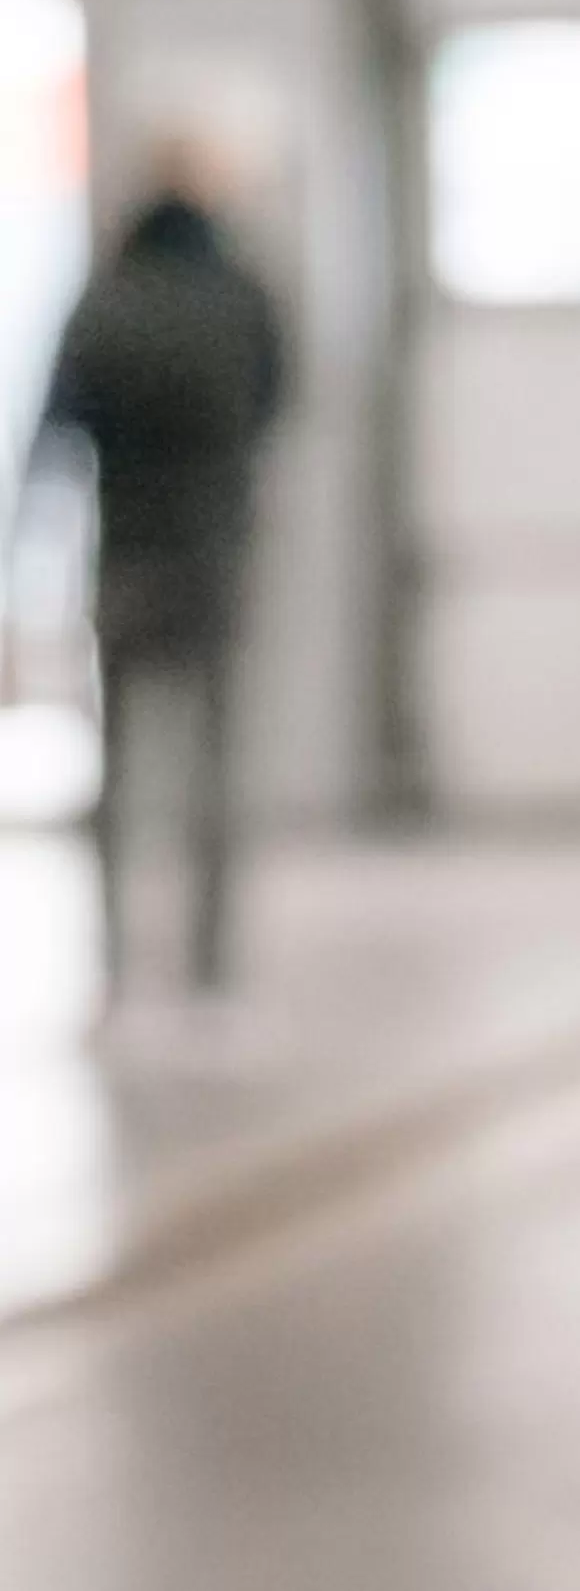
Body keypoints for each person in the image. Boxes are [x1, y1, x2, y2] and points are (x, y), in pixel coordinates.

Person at [46, 136, 289, 997]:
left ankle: (111, 952)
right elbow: (278, 404)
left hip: (128, 551)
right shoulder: (241, 296)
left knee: (116, 764)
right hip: (215, 551)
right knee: (214, 762)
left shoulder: (107, 299)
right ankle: (210, 960)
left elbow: (58, 422)